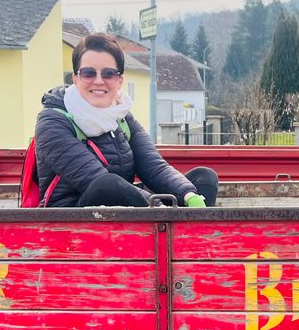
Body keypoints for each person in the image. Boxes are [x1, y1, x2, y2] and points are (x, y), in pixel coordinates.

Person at [35, 32, 218, 208]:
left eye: (108, 74)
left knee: (204, 178)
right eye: (88, 73)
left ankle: (190, 234)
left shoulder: (122, 118)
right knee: (107, 185)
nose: (98, 81)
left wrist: (188, 195)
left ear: (119, 80)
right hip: (71, 222)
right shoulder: (52, 122)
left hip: (126, 213)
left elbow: (154, 167)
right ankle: (170, 230)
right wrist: (160, 209)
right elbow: (96, 180)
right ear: (75, 78)